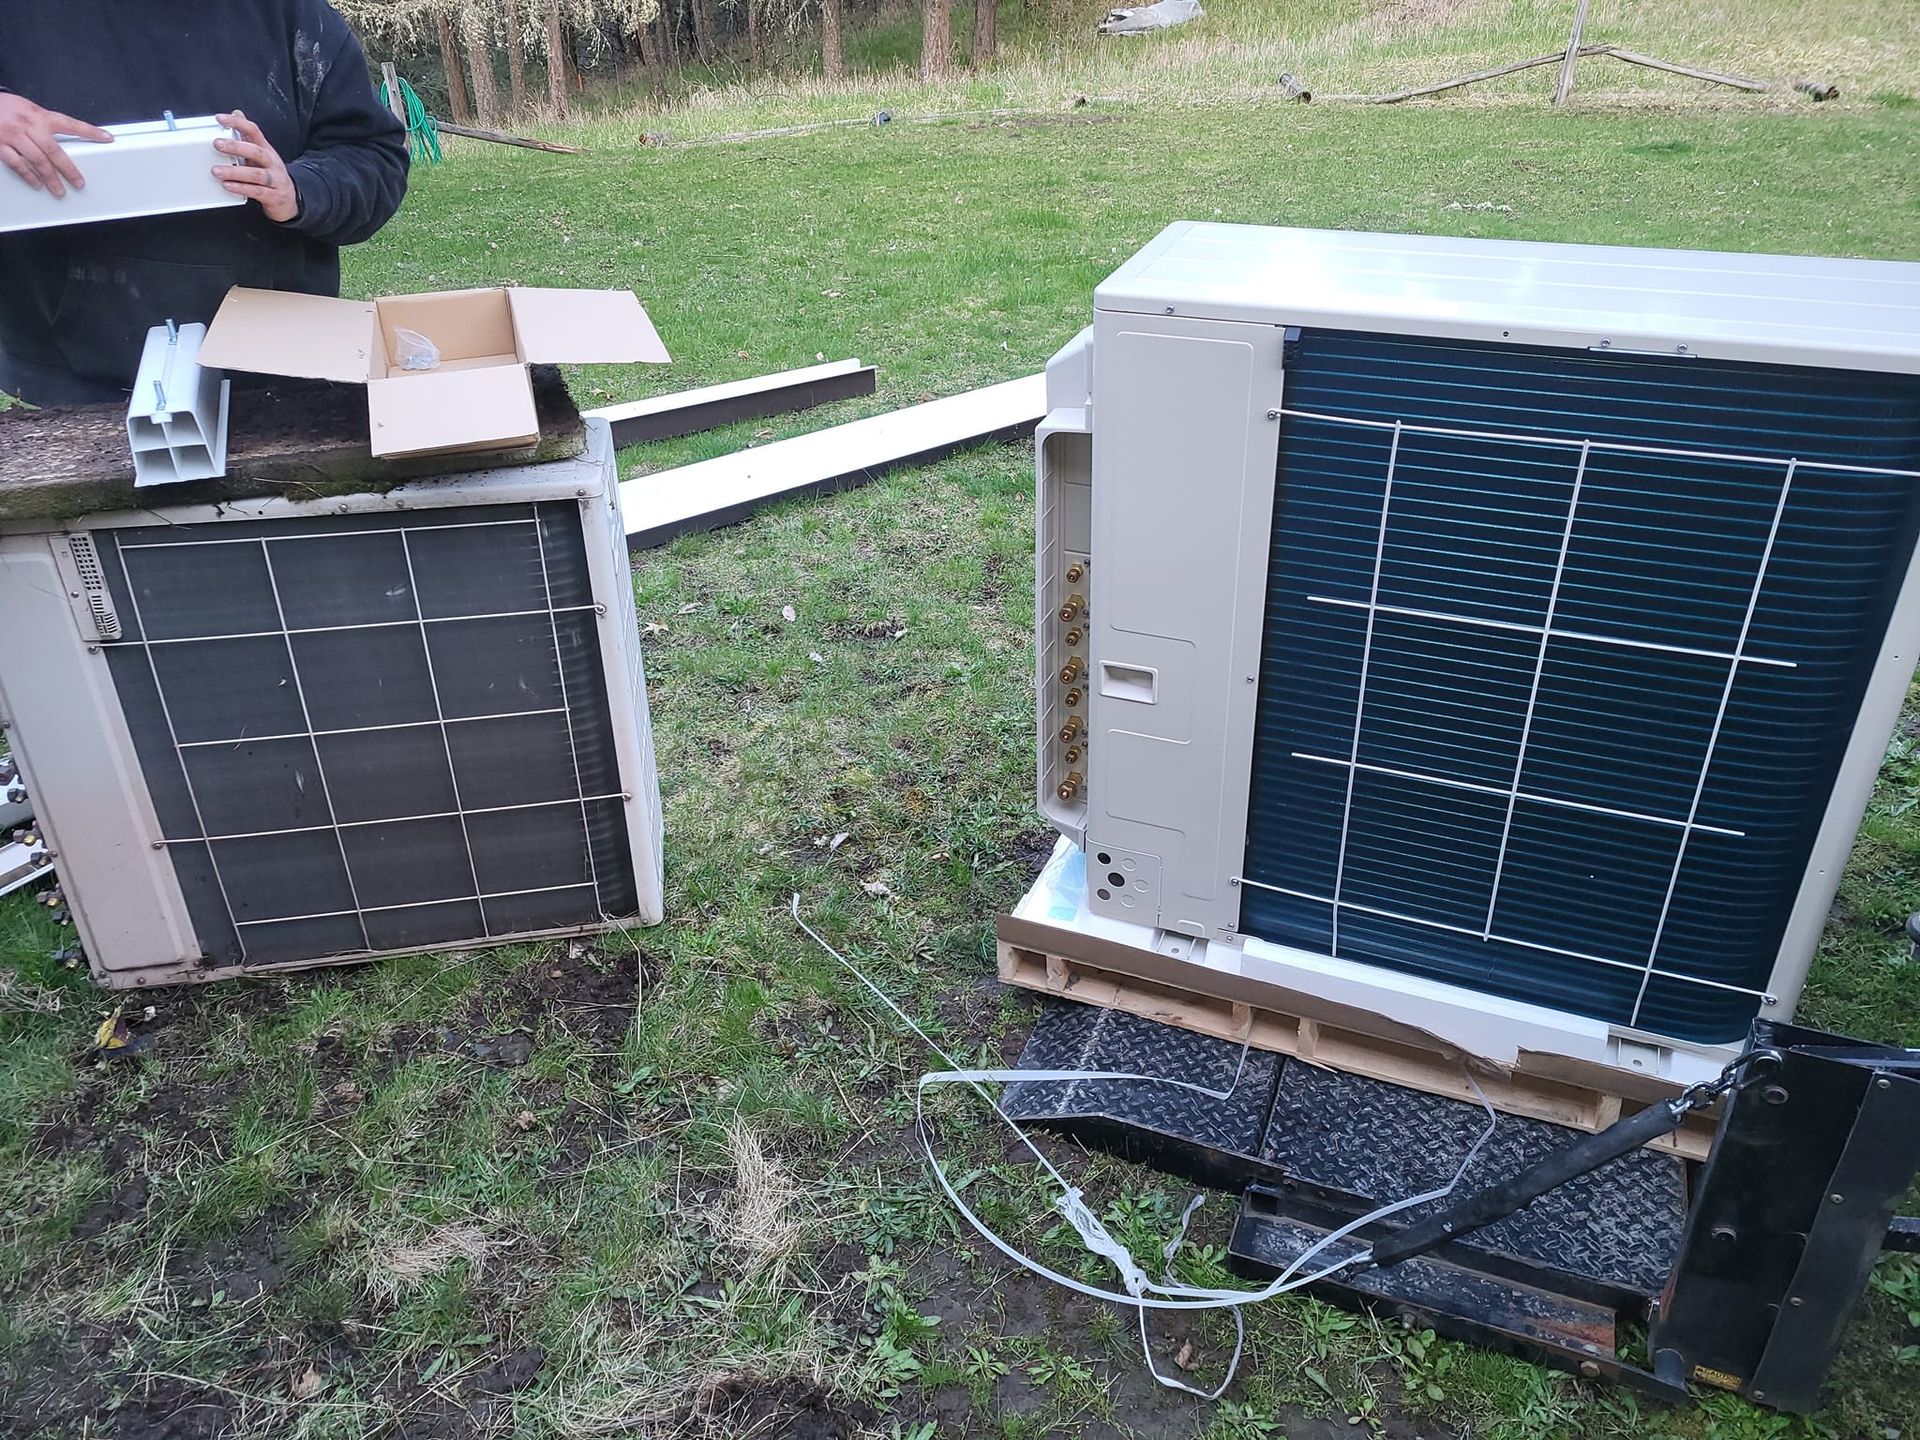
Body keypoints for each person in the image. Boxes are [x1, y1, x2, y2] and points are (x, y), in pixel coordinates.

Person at [0, 1, 409, 407]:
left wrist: (300, 190)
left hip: (276, 367)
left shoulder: (293, 16)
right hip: (72, 375)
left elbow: (371, 155)